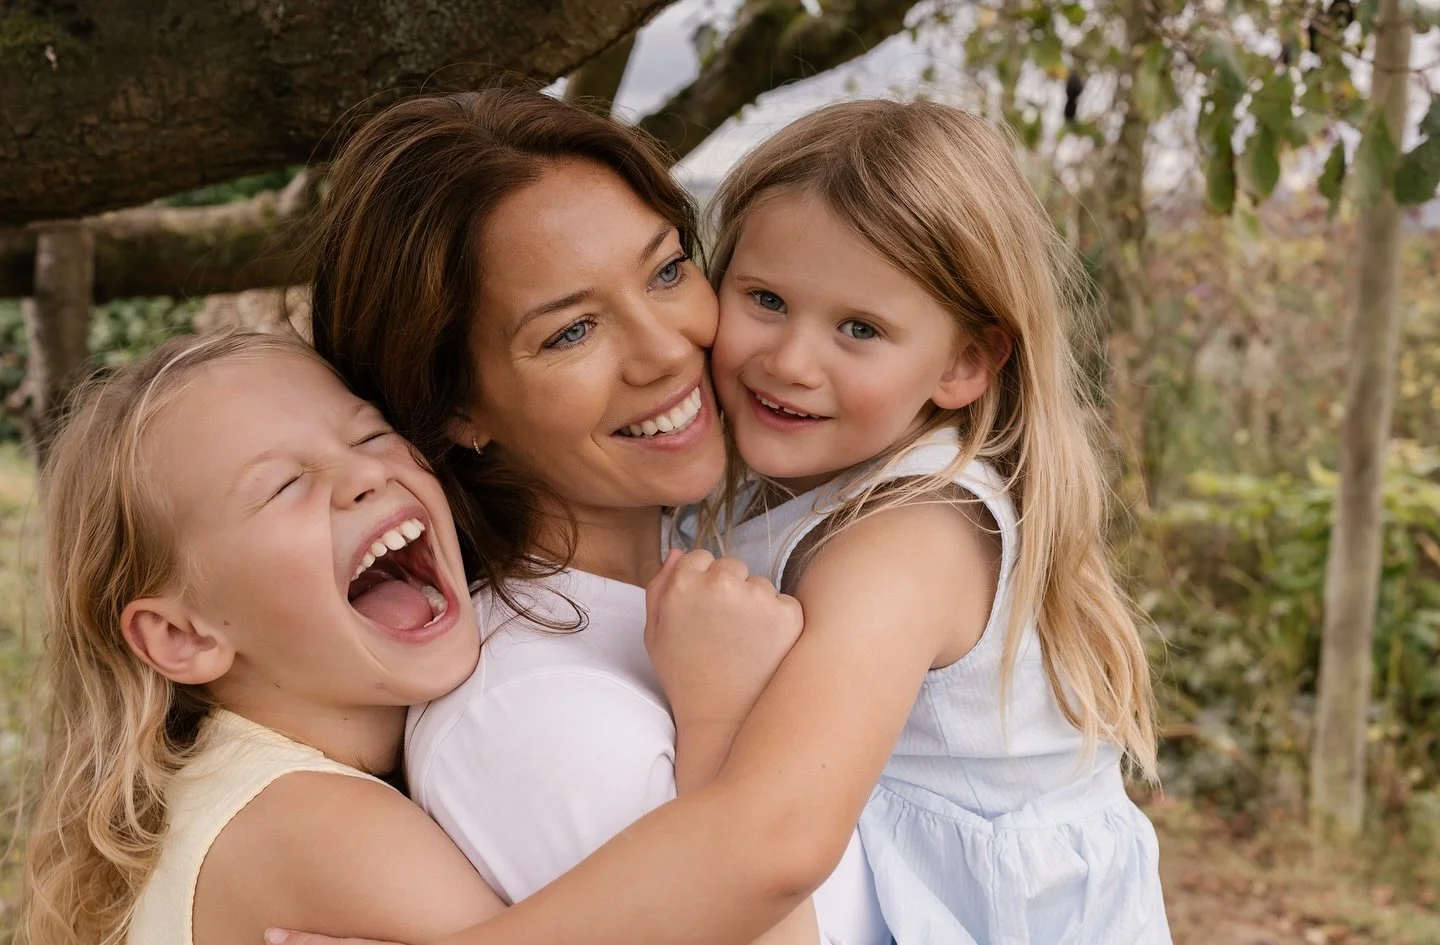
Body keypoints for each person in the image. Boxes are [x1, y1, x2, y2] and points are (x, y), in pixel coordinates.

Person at [307, 87, 886, 944]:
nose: (666, 348)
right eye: (572, 331)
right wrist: (720, 717)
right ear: (458, 409)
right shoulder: (529, 713)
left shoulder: (718, 569)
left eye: (665, 272)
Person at [17, 332, 807, 945]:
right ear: (182, 636)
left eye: (368, 436)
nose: (364, 476)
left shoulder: (236, 794)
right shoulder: (318, 827)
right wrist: (726, 715)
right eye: (284, 484)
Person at [677, 98, 1171, 942]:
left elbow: (771, 848)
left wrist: (711, 703)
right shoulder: (772, 478)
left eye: (859, 328)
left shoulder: (907, 540)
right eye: (764, 298)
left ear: (964, 362)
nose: (790, 361)